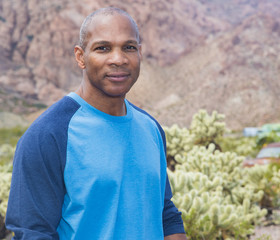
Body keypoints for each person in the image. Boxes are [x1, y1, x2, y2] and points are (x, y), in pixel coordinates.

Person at [6, 7, 187, 240]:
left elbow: (165, 214)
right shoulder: (48, 135)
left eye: (129, 47)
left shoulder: (151, 129)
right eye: (103, 48)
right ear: (81, 56)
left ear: (139, 53)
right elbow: (32, 233)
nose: (118, 59)